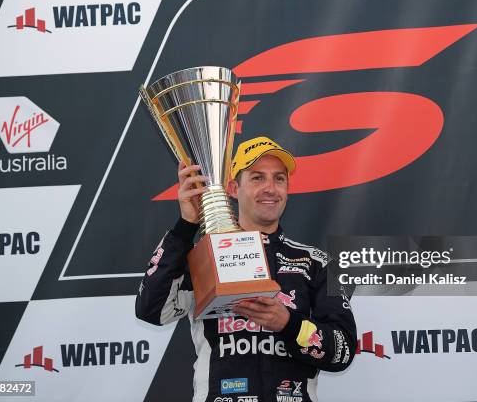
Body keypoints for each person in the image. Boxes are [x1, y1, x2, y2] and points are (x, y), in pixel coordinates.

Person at [135, 136, 356, 402]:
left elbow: (342, 351)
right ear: (232, 188)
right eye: (257, 178)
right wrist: (186, 227)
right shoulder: (204, 258)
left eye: (279, 179)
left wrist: (290, 325)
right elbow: (151, 310)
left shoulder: (318, 262)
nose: (270, 189)